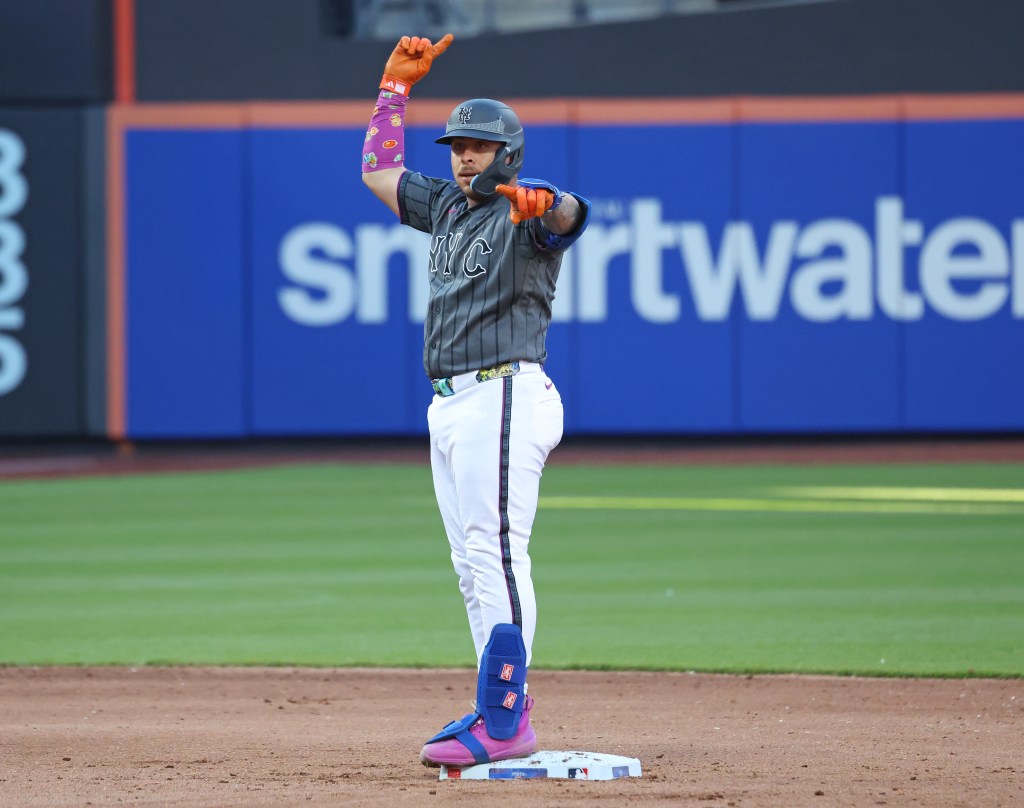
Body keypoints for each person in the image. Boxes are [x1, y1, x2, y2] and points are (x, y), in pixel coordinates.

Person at [361, 34, 590, 768]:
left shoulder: (524, 212)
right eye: (458, 144)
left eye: (479, 147)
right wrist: (392, 92)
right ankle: (498, 702)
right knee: (470, 560)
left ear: (508, 156)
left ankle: (507, 718)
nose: (464, 156)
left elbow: (571, 216)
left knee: (494, 551)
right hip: (452, 402)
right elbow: (379, 171)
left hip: (505, 391)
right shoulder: (449, 208)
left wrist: (549, 204)